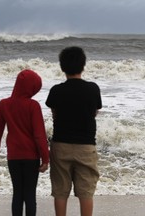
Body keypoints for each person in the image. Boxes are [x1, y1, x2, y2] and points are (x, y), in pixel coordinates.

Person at [46, 46, 102, 216]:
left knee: (60, 191)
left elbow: (54, 114)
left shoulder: (56, 90)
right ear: (83, 66)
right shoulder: (93, 89)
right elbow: (95, 112)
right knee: (86, 191)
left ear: (62, 67)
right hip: (85, 145)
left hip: (61, 144)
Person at [0, 69, 49, 216]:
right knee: (30, 195)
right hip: (31, 157)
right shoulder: (33, 105)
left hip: (14, 157)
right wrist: (46, 158)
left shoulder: (4, 104)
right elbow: (39, 135)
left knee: (17, 194)